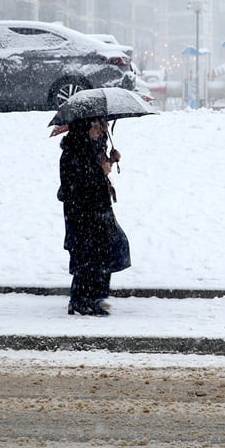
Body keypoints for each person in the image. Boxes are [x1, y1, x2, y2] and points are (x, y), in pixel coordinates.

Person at [56, 117, 131, 316]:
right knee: (86, 255)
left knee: (107, 249)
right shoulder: (73, 151)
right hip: (82, 213)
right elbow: (76, 184)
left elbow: (95, 176)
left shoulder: (94, 147)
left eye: (103, 126)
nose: (101, 131)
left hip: (99, 209)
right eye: (96, 127)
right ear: (84, 129)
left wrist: (110, 161)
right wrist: (101, 171)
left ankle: (97, 297)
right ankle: (79, 300)